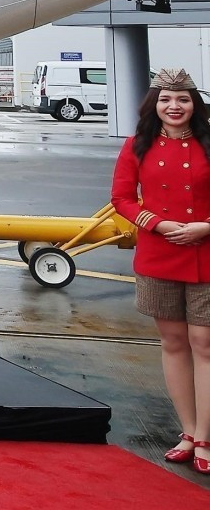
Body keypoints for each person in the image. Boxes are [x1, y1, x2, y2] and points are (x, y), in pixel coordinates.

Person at [110, 69, 210, 474]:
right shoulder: (137, 145)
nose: (175, 107)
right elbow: (121, 198)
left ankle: (205, 435)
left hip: (206, 252)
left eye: (183, 99)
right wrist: (155, 223)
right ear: (155, 105)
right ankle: (188, 432)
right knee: (173, 343)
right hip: (159, 252)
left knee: (204, 342)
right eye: (167, 99)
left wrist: (207, 225)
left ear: (194, 105)